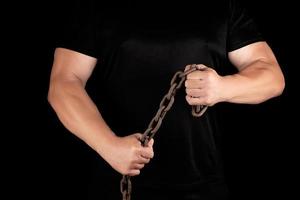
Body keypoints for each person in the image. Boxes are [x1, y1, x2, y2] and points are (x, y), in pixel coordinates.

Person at [48, 0, 285, 199]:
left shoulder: (221, 5)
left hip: (202, 186)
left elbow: (272, 76)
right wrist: (108, 145)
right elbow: (64, 82)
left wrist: (223, 87)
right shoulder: (96, 5)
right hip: (117, 183)